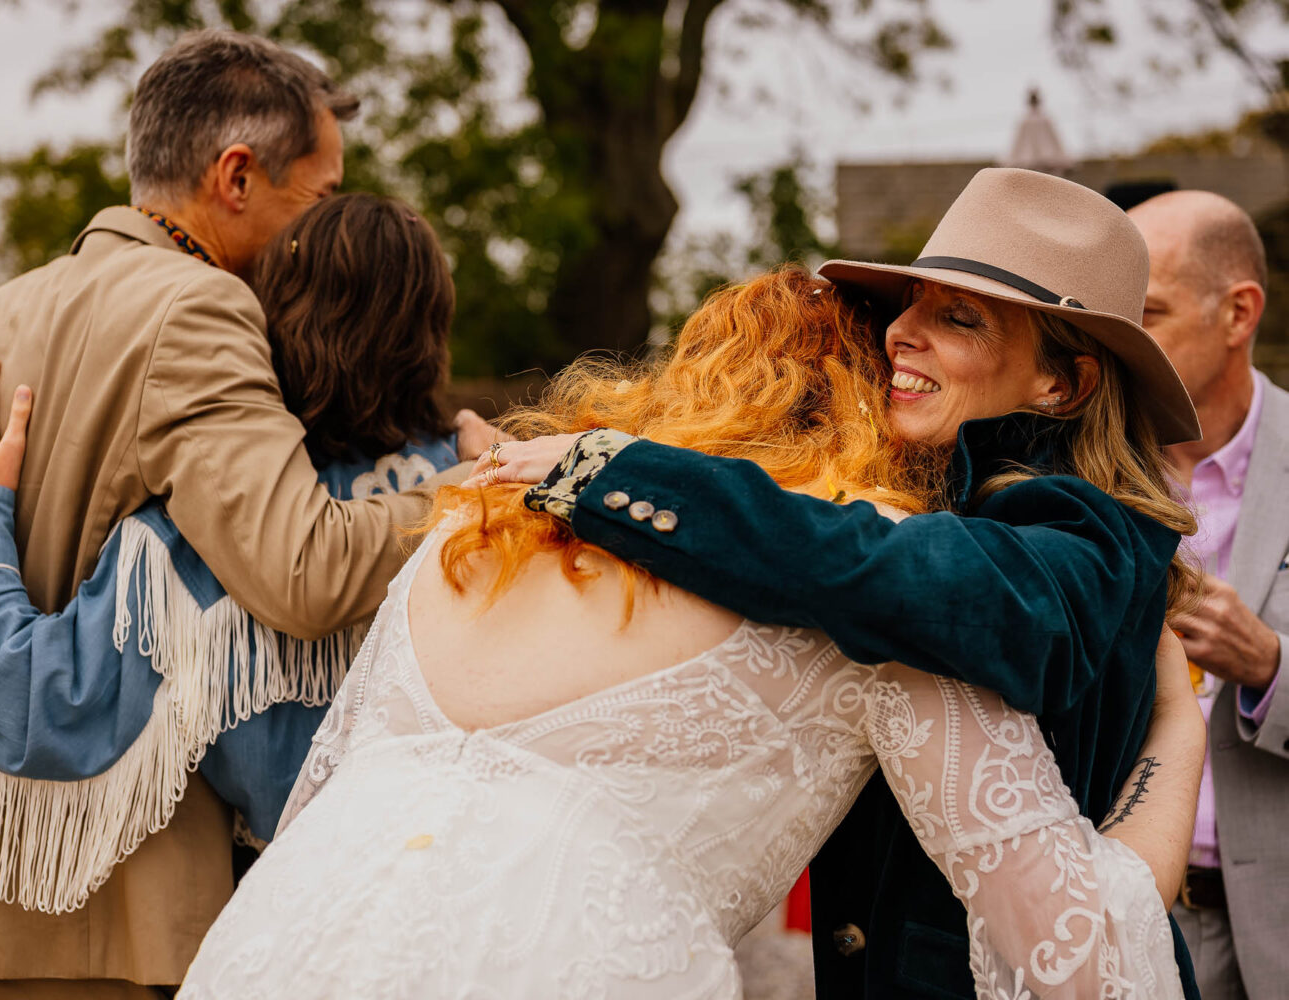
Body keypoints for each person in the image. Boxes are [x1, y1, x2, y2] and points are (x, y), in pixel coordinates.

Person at [154, 267, 1197, 998]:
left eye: (953, 322)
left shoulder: (476, 528)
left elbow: (324, 791)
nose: (912, 345)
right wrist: (1178, 728)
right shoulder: (864, 593)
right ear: (873, 400)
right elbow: (1072, 949)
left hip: (274, 950)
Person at [0, 32, 472, 998]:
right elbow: (303, 574)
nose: (325, 222)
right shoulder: (200, 311)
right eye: (321, 192)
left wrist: (22, 623)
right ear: (237, 175)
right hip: (86, 927)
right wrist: (478, 490)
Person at [482, 167, 1206, 998]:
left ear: (1060, 383)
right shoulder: (932, 493)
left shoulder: (1093, 532)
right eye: (910, 304)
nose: (901, 334)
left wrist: (620, 475)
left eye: (957, 318)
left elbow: (904, 574)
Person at [0, 192, 462, 913]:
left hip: (293, 924)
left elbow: (28, 706)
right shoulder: (490, 504)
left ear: (273, 317)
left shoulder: (200, 539)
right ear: (431, 330)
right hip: (459, 905)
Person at [1129, 189, 1289, 1000]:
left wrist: (1270, 666)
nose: (1124, 341)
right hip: (1133, 926)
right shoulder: (1083, 483)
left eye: (1147, 312)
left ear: (1238, 313)